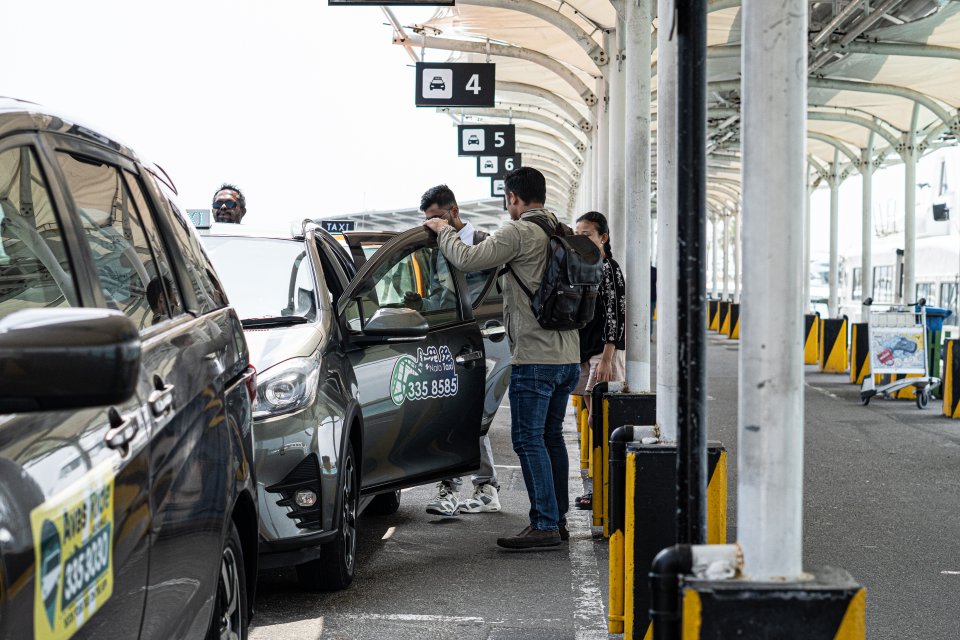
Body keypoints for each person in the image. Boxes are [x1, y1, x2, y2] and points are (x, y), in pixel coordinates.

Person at [424, 167, 579, 549]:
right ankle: (556, 520)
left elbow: (468, 259)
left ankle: (544, 523)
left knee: (528, 439)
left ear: (513, 197)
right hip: (568, 355)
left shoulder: (519, 231)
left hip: (535, 354)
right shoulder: (560, 230)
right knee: (550, 437)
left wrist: (442, 230)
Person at [419, 184, 501, 517]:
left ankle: (454, 489)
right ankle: (485, 488)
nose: (432, 224)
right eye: (427, 219)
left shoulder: (483, 243)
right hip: (445, 341)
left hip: (482, 343)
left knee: (466, 417)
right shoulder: (431, 246)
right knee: (463, 417)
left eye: (437, 217)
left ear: (454, 212)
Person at [571, 211, 626, 510]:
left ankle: (606, 491)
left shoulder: (609, 268)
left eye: (588, 233)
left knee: (602, 422)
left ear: (603, 237)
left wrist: (607, 357)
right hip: (585, 351)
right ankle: (601, 489)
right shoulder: (584, 266)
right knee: (595, 422)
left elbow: (616, 314)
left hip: (602, 354)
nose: (583, 238)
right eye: (578, 233)